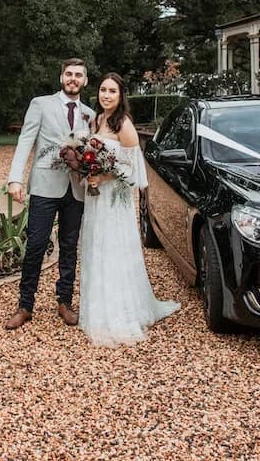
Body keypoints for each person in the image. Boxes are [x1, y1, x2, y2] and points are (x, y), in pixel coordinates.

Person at [78, 73, 179, 347]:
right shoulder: (97, 120)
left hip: (114, 199)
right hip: (95, 197)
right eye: (102, 90)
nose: (106, 95)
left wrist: (105, 177)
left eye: (112, 91)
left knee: (113, 249)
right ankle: (96, 309)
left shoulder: (124, 124)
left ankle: (119, 313)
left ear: (121, 95)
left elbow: (134, 170)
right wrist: (88, 171)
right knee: (95, 246)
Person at [4, 58, 93, 330]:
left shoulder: (90, 114)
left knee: (69, 247)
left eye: (78, 75)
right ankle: (25, 305)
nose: (73, 79)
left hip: (75, 188)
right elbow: (25, 141)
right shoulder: (40, 104)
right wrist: (15, 179)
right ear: (61, 77)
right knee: (36, 245)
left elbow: (92, 152)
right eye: (69, 74)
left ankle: (64, 302)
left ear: (85, 81)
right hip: (44, 185)